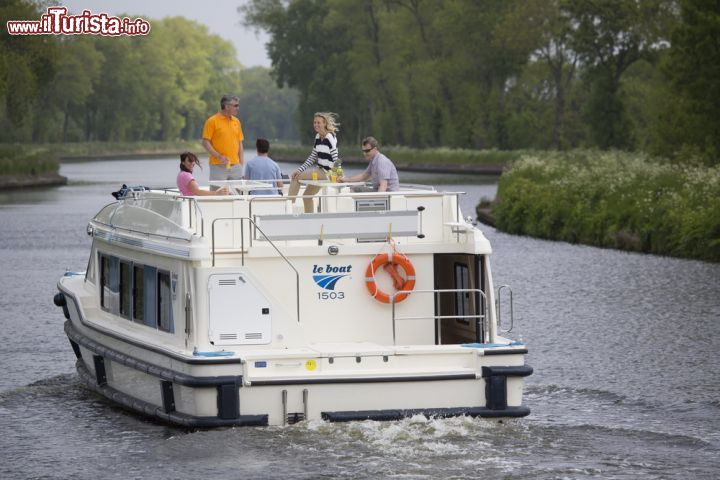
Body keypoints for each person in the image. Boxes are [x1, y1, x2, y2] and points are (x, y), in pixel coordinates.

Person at [288, 112, 340, 212]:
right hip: (319, 171)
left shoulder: (329, 137)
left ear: (324, 123)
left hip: (325, 173)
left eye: (318, 122)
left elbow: (335, 157)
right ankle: (310, 220)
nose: (316, 125)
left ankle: (288, 206)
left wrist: (337, 173)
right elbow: (312, 157)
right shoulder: (317, 137)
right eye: (314, 122)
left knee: (296, 177)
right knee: (307, 197)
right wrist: (300, 169)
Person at [201, 94, 244, 186]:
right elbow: (205, 142)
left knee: (237, 196)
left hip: (236, 166)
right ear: (227, 106)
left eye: (238, 105)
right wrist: (219, 156)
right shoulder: (212, 121)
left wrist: (241, 163)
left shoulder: (237, 121)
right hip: (218, 166)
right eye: (235, 105)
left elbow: (239, 142)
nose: (238, 108)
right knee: (218, 196)